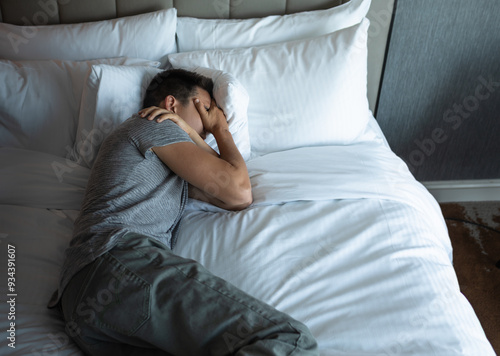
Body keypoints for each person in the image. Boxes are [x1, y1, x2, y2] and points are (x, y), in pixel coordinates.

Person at [48, 69, 319, 355]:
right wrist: (221, 130)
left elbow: (234, 200)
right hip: (116, 263)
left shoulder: (163, 160)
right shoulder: (154, 124)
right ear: (171, 105)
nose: (208, 122)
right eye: (204, 110)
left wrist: (191, 131)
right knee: (289, 339)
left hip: (83, 301)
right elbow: (239, 189)